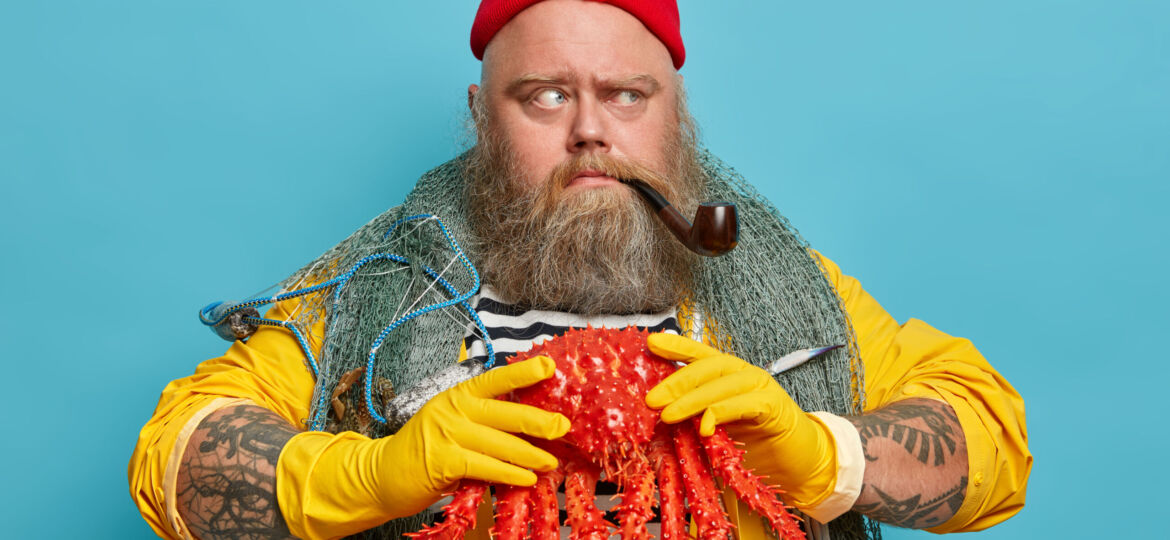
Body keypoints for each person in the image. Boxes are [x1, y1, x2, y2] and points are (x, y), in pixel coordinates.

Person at [129, 1, 1031, 539]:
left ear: (674, 115)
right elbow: (173, 455)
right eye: (546, 95)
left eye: (626, 96)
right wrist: (370, 476)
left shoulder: (783, 288)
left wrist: (817, 455)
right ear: (484, 117)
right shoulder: (385, 292)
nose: (590, 130)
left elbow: (989, 432)